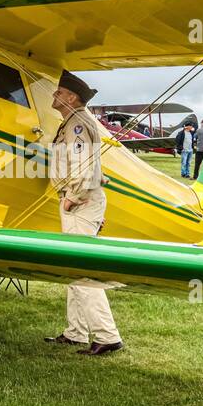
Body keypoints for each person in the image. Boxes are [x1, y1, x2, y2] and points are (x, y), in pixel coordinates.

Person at [43, 70, 122, 356]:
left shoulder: (76, 123)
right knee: (73, 269)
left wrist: (72, 197)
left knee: (82, 271)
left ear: (72, 97)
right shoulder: (74, 122)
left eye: (60, 92)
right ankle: (75, 332)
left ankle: (107, 335)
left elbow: (82, 165)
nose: (55, 96)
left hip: (80, 202)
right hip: (81, 200)